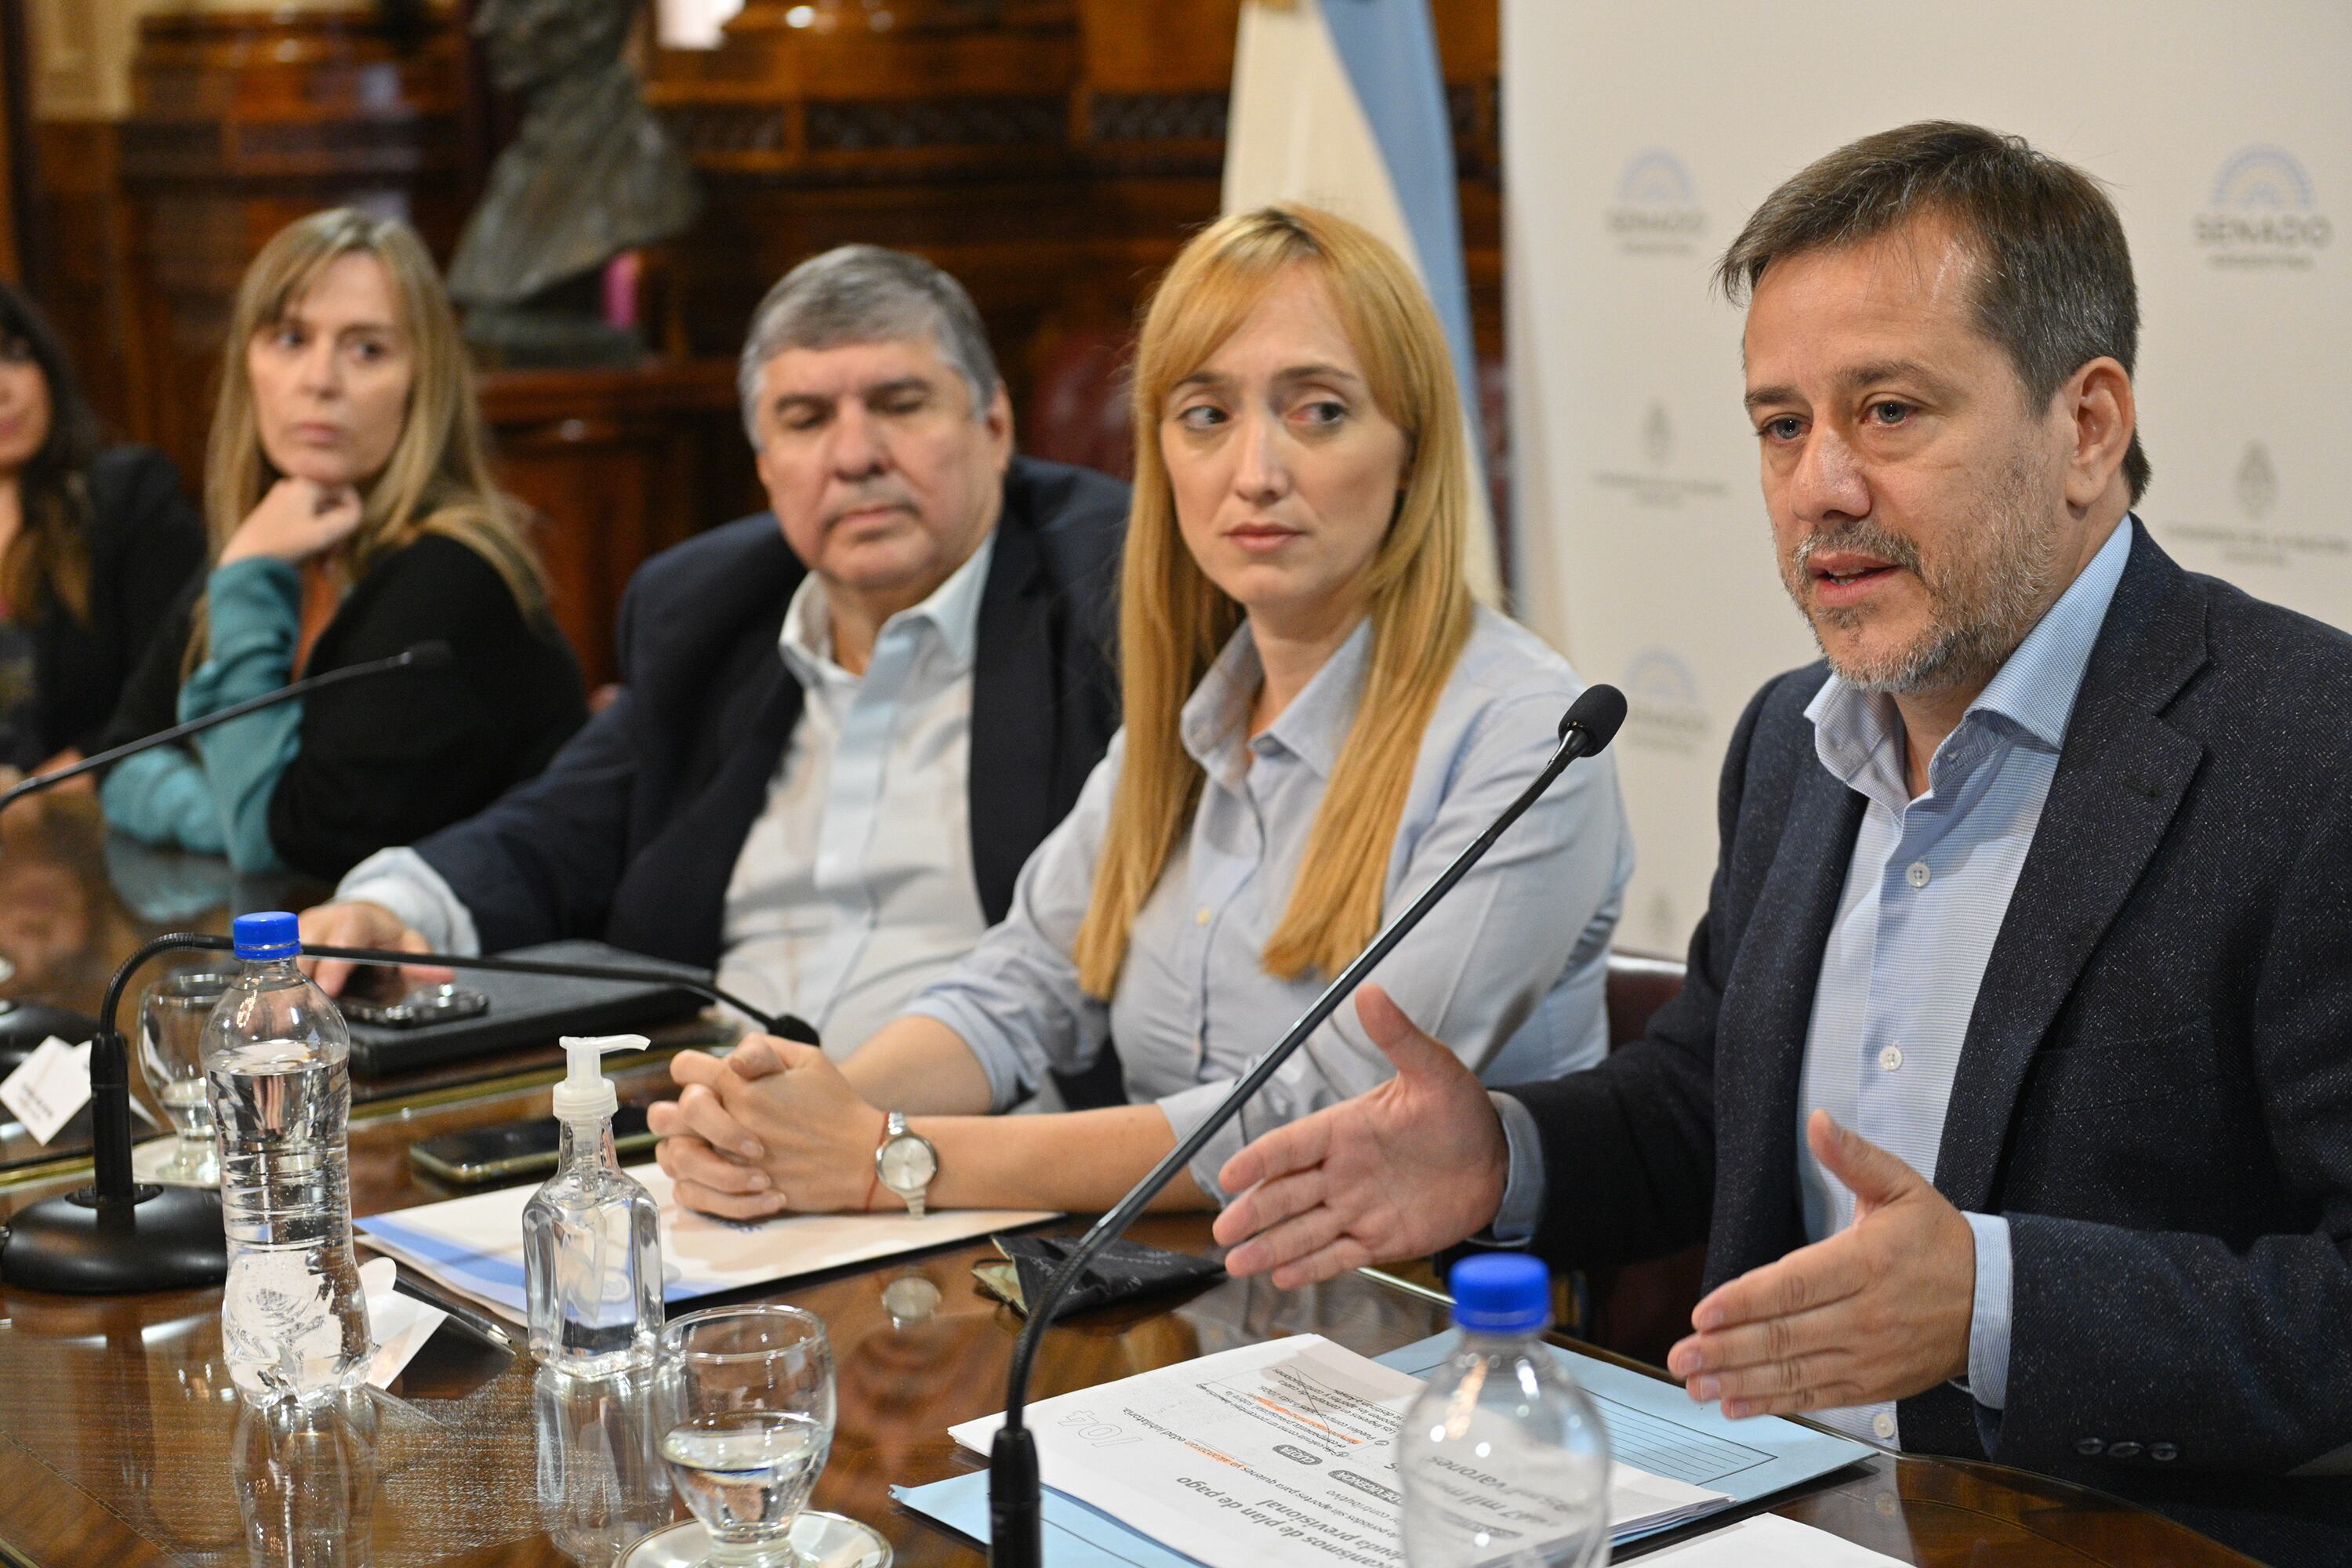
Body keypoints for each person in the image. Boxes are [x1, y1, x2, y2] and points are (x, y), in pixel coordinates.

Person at [1208, 124, 2352, 1566]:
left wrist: (1996, 1304)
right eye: (1780, 424)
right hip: (1761, 1515)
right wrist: (1501, 1158)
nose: (1821, 486)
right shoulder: (1790, 742)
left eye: (1887, 412)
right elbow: (1707, 1102)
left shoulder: (2310, 754)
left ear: (2089, 428)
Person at [645, 206, 1634, 1221]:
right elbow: (1019, 990)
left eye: (1320, 411)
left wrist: (885, 1159)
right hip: (1171, 1295)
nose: (1255, 472)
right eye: (1206, 416)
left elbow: (1325, 1116)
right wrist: (784, 1114)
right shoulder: (1195, 715)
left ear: (1414, 449)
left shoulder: (1523, 734)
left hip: (1435, 1328)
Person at [299, 245, 1130, 1056]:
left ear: (994, 425)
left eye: (900, 403)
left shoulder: (1109, 599)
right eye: (806, 420)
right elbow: (562, 825)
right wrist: (386, 906)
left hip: (969, 1142)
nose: (855, 456)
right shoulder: (712, 611)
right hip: (702, 1113)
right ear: (766, 467)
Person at [100, 209, 587, 880]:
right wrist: (234, 814)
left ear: (423, 384)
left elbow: (280, 840)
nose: (320, 380)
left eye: (367, 350)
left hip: (478, 971)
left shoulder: (451, 573)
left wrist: (250, 575)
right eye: (291, 338)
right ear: (249, 365)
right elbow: (121, 758)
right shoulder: (269, 543)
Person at [0, 282, 204, 779]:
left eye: (15, 355)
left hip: (96, 818)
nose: (4, 390)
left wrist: (60, 779)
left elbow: (180, 686)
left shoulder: (128, 496)